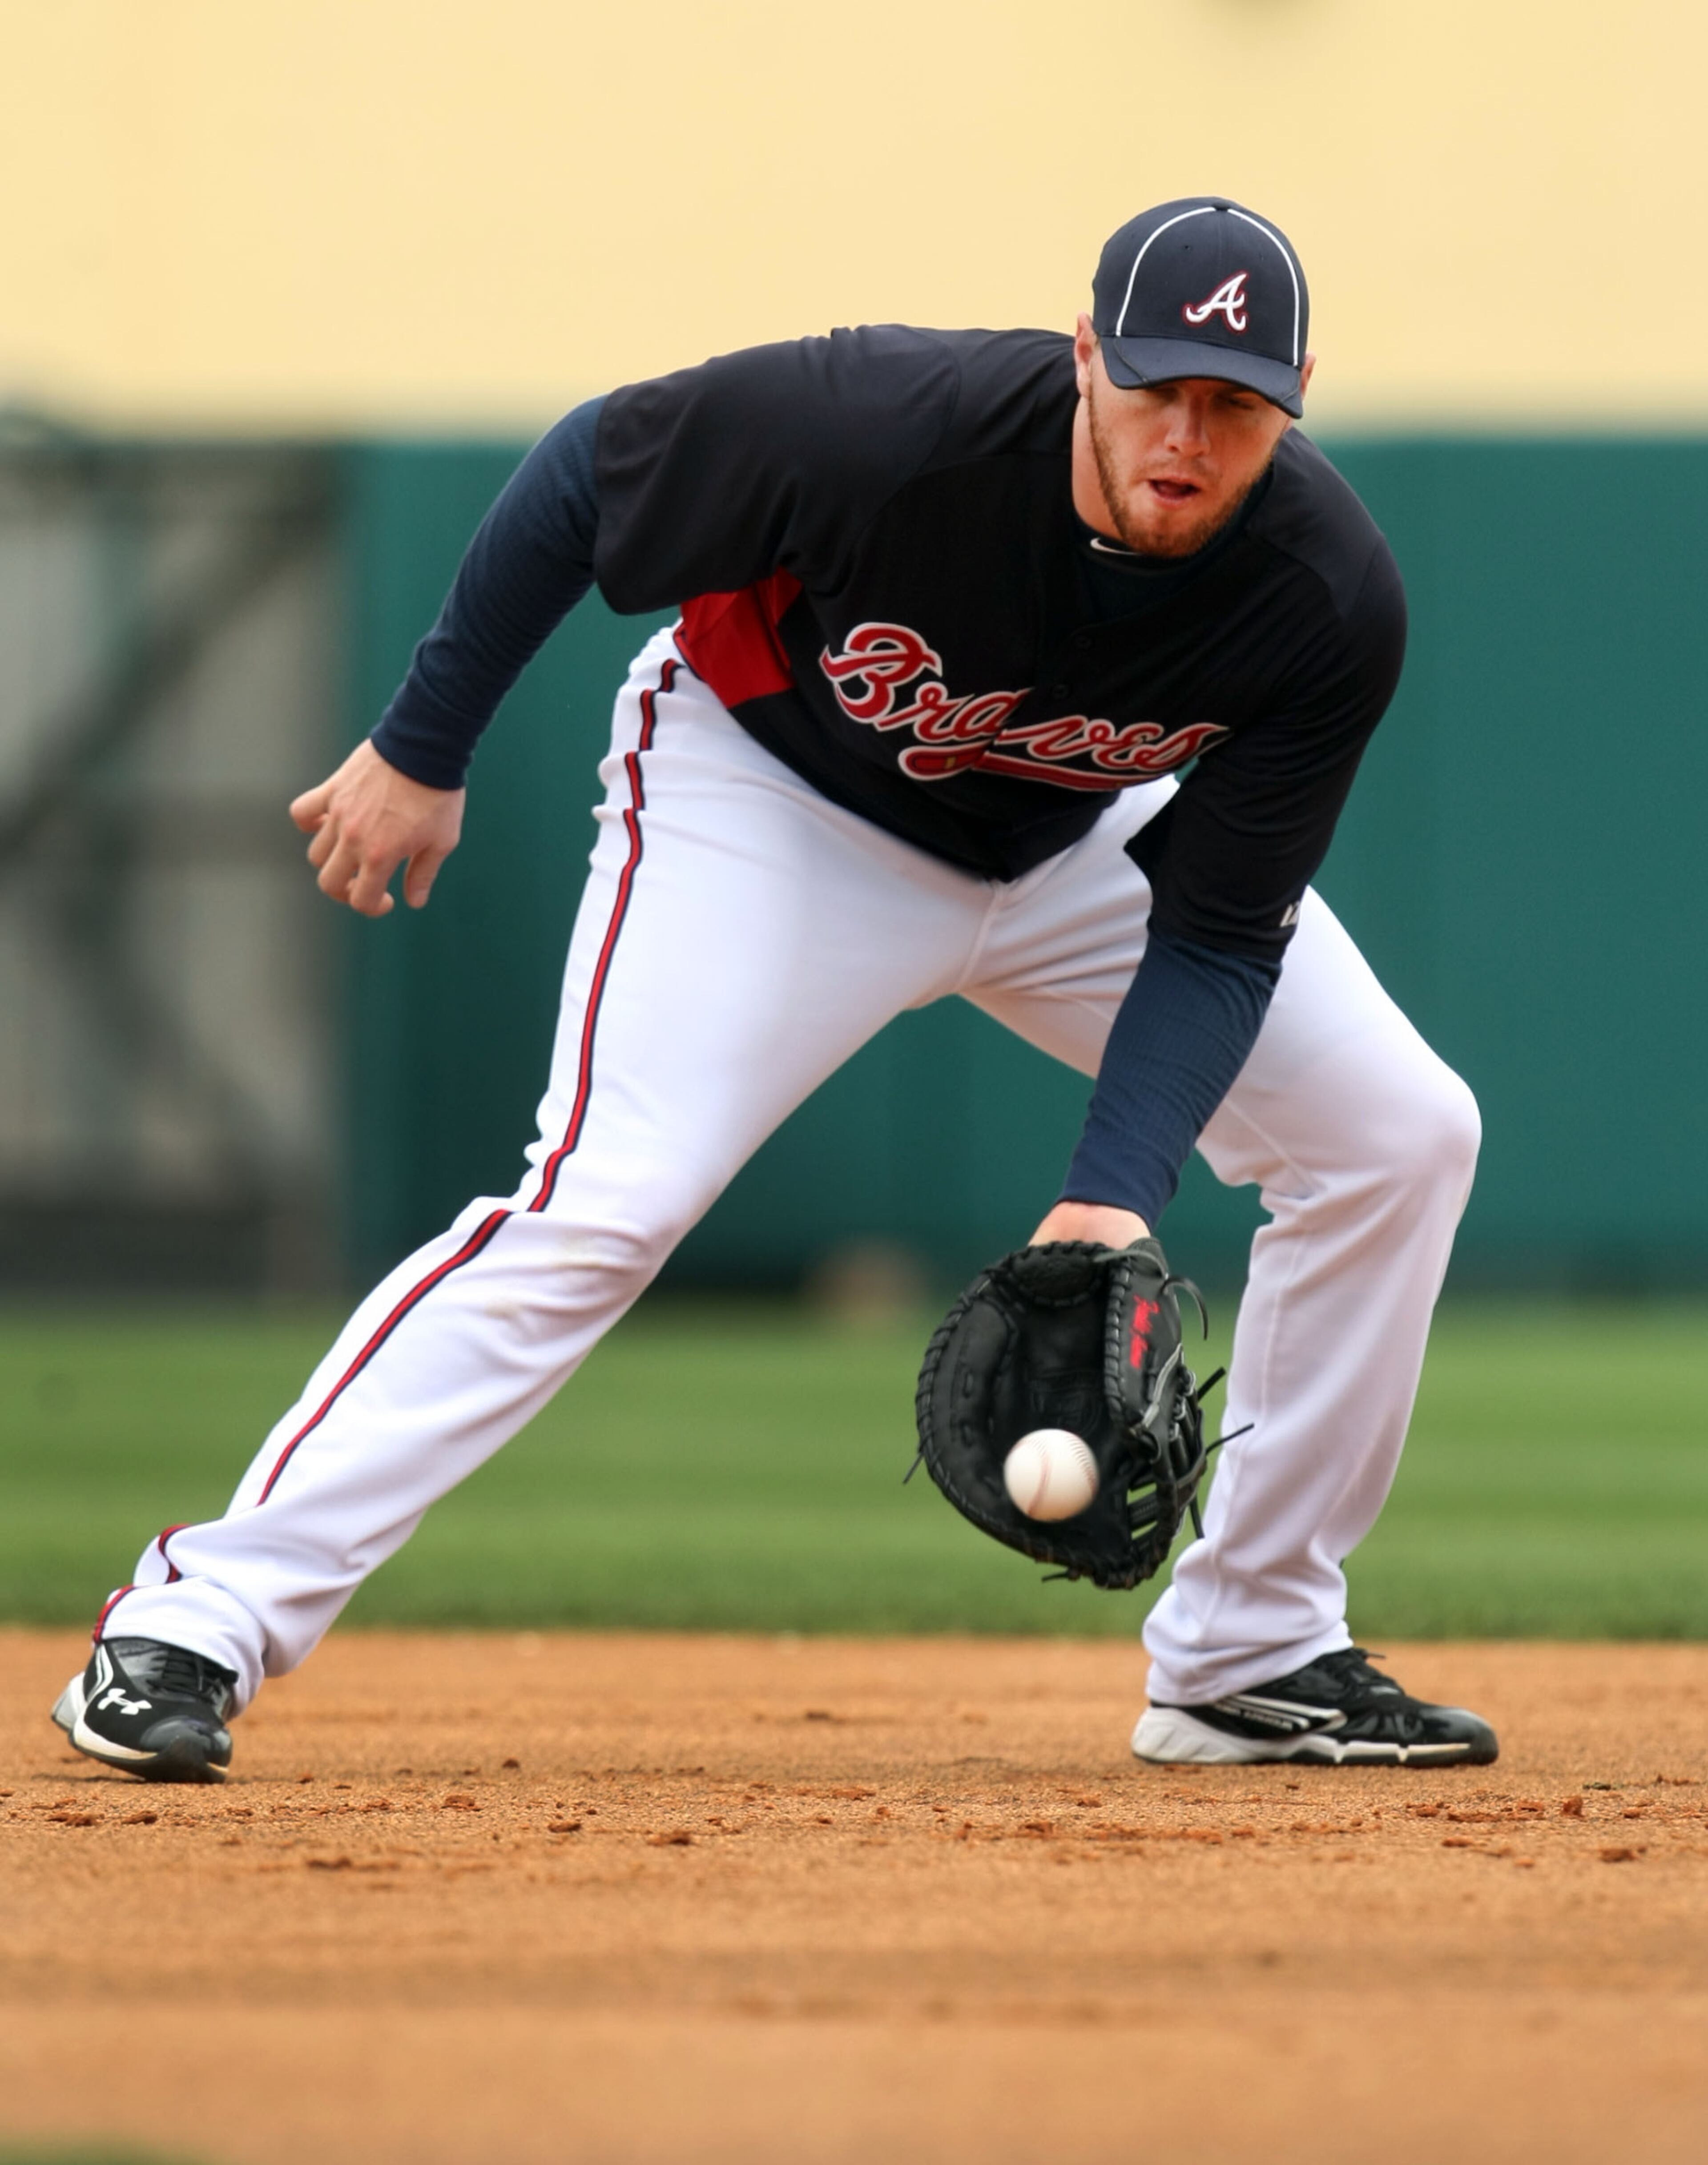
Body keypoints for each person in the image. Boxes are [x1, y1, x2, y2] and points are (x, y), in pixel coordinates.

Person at [53, 196, 1494, 1782]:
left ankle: (1250, 1647)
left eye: (1236, 407)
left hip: (1075, 844)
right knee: (611, 1194)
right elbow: (587, 475)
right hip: (775, 801)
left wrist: (1110, 1199)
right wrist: (422, 743)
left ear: (1291, 408)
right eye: (1158, 385)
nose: (1190, 434)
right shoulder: (886, 427)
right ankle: (194, 1619)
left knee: (1404, 1135)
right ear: (1085, 355)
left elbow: (1221, 935)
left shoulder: (1326, 596)